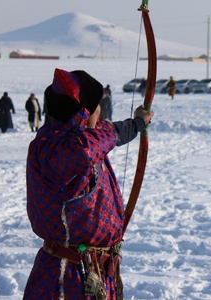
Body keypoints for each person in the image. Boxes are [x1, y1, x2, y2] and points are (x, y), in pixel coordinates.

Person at [24, 68, 154, 299]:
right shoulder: (53, 150)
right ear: (83, 114)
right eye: (97, 107)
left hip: (94, 272)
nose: (101, 113)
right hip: (67, 279)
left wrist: (137, 123)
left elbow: (111, 132)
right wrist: (110, 132)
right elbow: (84, 150)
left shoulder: (86, 137)